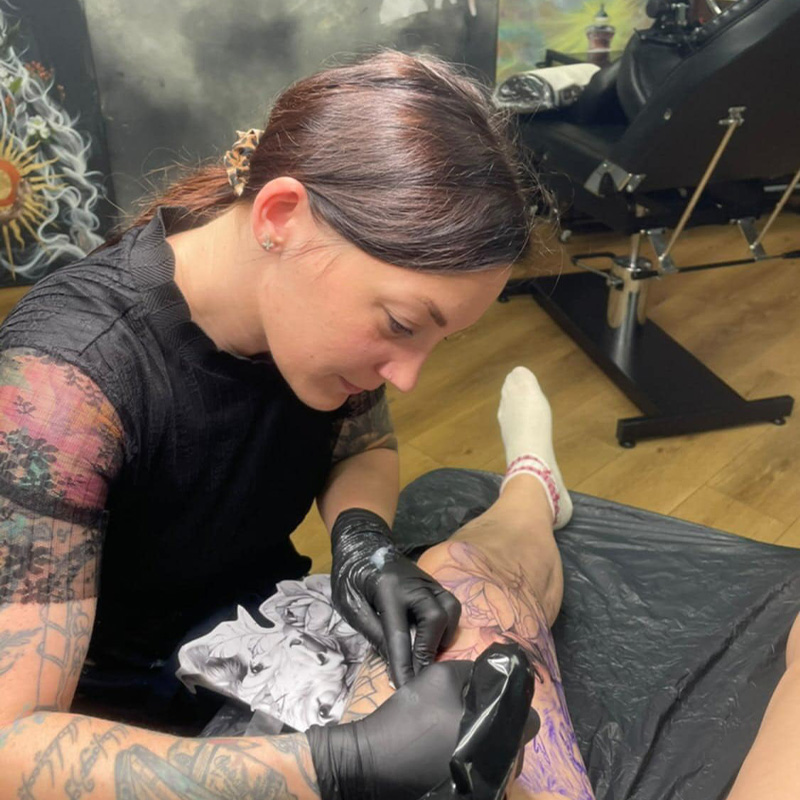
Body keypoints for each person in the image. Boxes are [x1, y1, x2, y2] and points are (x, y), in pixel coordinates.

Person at [0, 49, 537, 798]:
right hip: (110, 727)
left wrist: (362, 540)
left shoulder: (305, 324)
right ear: (280, 217)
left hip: (257, 639)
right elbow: (12, 743)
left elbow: (364, 445)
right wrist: (340, 765)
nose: (409, 375)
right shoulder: (63, 385)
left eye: (435, 340)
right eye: (401, 323)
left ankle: (533, 484)